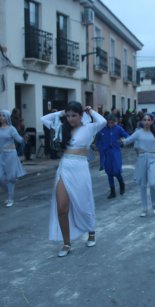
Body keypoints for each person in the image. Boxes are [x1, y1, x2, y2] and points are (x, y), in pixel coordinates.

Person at [41, 102, 106, 257]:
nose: (70, 119)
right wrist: (62, 112)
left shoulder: (89, 128)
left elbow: (102, 122)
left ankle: (91, 232)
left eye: (74, 115)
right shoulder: (61, 127)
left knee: (84, 204)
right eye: (68, 115)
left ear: (81, 115)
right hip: (65, 167)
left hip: (80, 168)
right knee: (62, 208)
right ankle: (66, 243)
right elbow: (44, 119)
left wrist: (90, 111)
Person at [122, 113, 155, 218]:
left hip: (152, 159)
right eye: (144, 120)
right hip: (141, 160)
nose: (146, 122)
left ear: (152, 122)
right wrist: (121, 140)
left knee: (153, 183)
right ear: (141, 122)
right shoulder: (138, 133)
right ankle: (144, 208)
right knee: (143, 185)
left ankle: (154, 203)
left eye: (148, 120)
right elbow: (127, 141)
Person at [0, 110, 26, 207]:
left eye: (3, 116)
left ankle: (10, 198)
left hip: (11, 155)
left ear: (7, 117)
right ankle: (9, 192)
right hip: (0, 155)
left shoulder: (11, 129)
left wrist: (24, 138)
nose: (1, 117)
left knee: (10, 178)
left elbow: (19, 139)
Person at [95, 114, 129, 199]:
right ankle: (112, 191)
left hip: (115, 152)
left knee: (117, 171)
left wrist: (123, 141)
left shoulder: (118, 128)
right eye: (108, 123)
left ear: (115, 122)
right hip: (106, 153)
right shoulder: (102, 129)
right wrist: (99, 147)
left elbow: (127, 136)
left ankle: (121, 184)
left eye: (112, 123)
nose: (110, 124)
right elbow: (97, 140)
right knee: (109, 172)